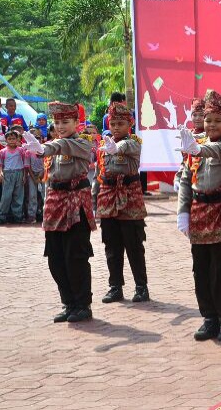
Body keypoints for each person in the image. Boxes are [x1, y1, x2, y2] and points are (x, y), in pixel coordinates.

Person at [176, 90, 221, 342]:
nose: (211, 125)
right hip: (200, 214)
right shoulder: (197, 147)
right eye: (208, 120)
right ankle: (209, 318)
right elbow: (186, 181)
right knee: (202, 269)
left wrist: (198, 149)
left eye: (218, 120)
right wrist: (182, 212)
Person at [23, 102, 97, 323]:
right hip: (54, 203)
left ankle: (83, 304)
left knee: (75, 255)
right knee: (55, 257)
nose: (61, 126)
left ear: (76, 122)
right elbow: (56, 148)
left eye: (66, 121)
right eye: (57, 122)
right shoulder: (55, 144)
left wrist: (44, 148)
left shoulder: (83, 143)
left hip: (76, 202)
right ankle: (69, 303)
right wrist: (44, 148)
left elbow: (61, 146)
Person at [93, 103, 149, 305]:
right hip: (108, 197)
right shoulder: (104, 145)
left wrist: (116, 147)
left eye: (120, 123)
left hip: (130, 198)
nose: (116, 127)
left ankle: (141, 287)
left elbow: (126, 148)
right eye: (113, 123)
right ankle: (115, 286)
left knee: (134, 245)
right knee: (111, 246)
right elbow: (99, 174)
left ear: (130, 124)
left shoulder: (134, 142)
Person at [173, 98, 205, 193]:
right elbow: (185, 161)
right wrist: (178, 178)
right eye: (194, 115)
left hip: (206, 182)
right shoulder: (187, 134)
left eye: (201, 115)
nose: (197, 118)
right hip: (188, 181)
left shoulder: (211, 134)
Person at [0, 130, 28, 224]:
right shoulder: (3, 151)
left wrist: (24, 175)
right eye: (9, 138)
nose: (12, 140)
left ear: (17, 139)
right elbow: (0, 164)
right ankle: (1, 216)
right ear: (6, 140)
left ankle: (18, 216)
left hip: (19, 173)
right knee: (6, 196)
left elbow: (25, 163)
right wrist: (1, 173)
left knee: (18, 195)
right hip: (7, 173)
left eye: (14, 138)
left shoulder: (21, 150)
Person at [25, 127, 45, 223]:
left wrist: (40, 176)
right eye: (34, 138)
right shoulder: (28, 152)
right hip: (32, 175)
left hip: (43, 175)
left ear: (41, 139)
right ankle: (31, 215)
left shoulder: (44, 150)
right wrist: (34, 178)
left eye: (38, 138)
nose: (36, 140)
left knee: (44, 195)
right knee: (32, 195)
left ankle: (45, 214)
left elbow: (46, 165)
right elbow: (28, 166)